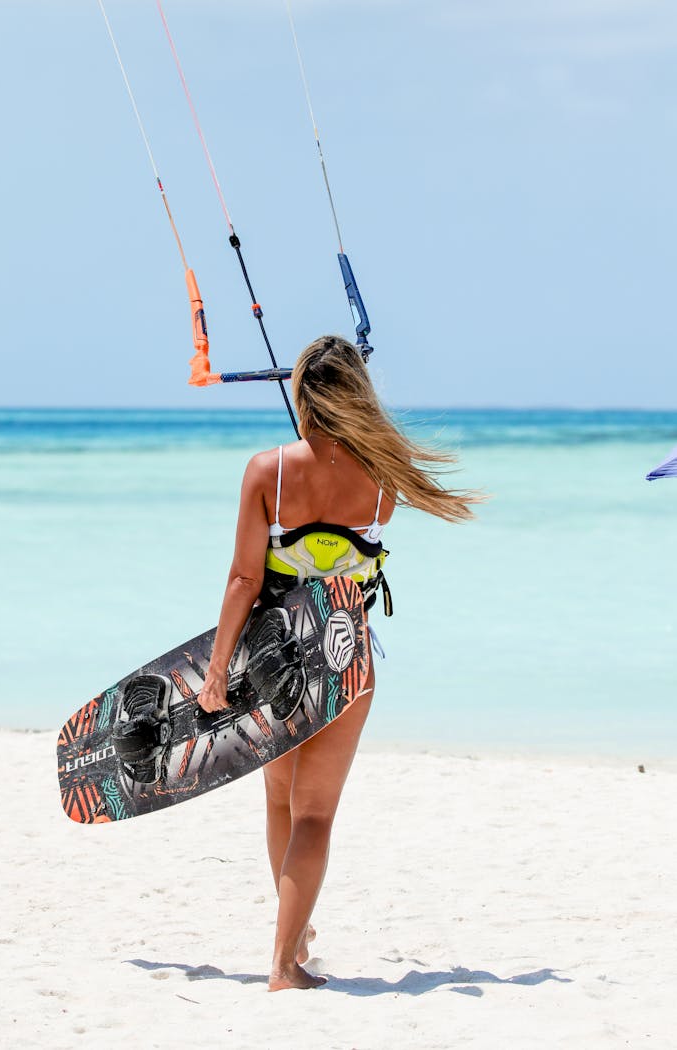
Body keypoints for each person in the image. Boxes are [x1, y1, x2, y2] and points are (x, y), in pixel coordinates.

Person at [197, 335, 478, 991]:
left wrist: (216, 669)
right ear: (358, 395)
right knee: (315, 814)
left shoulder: (267, 471)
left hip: (271, 656)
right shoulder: (386, 476)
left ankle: (292, 941)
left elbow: (244, 579)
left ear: (300, 395)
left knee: (279, 801)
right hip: (346, 656)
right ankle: (286, 959)